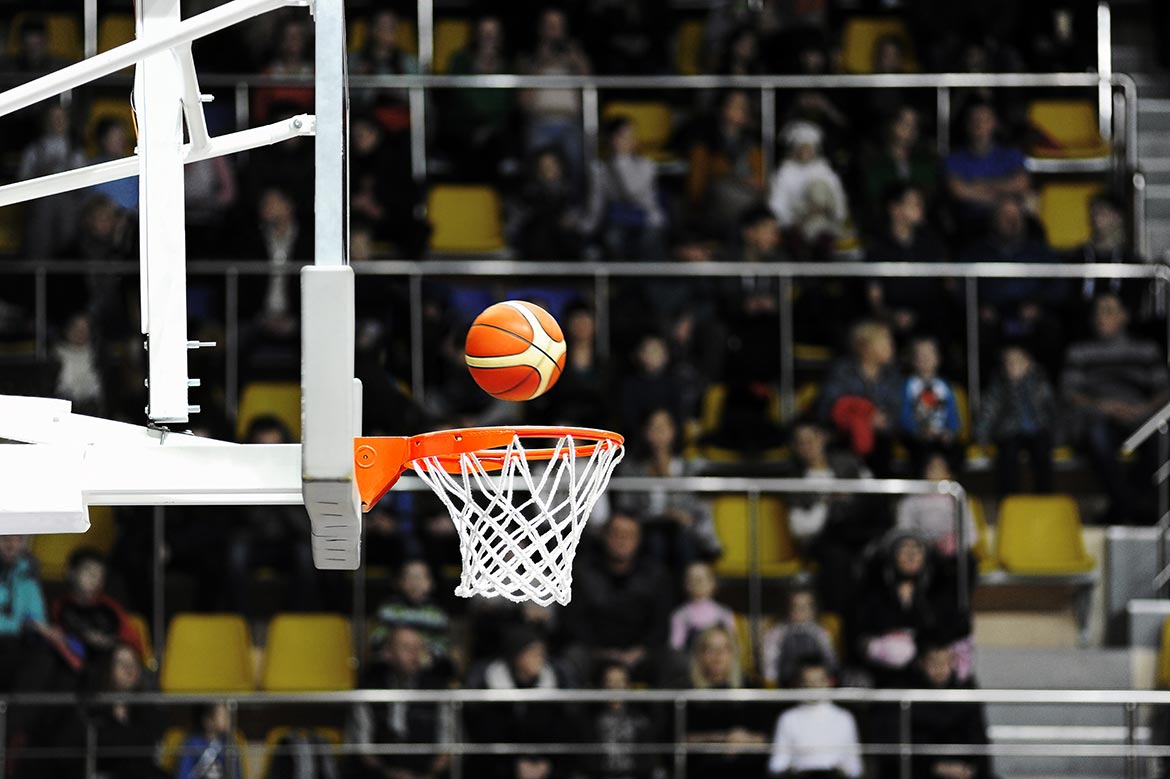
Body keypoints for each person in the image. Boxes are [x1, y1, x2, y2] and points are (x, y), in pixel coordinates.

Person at [1062, 294, 1170, 523]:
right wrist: (1104, 406)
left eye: (1109, 311)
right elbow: (1070, 393)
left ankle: (1122, 508)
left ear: (1124, 317)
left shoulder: (1146, 350)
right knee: (1097, 437)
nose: (1101, 318)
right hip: (1098, 415)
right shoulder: (1080, 351)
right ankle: (1130, 508)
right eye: (1098, 312)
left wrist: (1143, 408)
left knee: (1163, 439)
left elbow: (1164, 390)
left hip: (1139, 414)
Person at [225, 416, 324, 612]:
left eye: (275, 447)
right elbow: (237, 518)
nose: (269, 454)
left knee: (307, 554)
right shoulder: (240, 471)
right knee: (236, 553)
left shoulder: (298, 470)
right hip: (254, 541)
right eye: (262, 448)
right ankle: (239, 616)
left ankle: (299, 616)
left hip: (289, 541)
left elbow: (306, 524)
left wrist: (282, 492)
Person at [785, 420, 884, 614]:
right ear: (795, 448)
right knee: (838, 561)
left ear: (823, 438)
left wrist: (850, 496)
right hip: (825, 540)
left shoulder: (847, 462)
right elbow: (801, 529)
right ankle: (840, 617)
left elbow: (872, 492)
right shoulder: (796, 480)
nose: (808, 446)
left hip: (861, 529)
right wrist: (825, 503)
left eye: (811, 440)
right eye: (801, 442)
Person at [853, 529, 971, 688]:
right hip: (884, 677)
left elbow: (957, 631)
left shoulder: (939, 593)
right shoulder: (874, 595)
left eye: (917, 550)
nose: (911, 556)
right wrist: (876, 648)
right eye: (904, 549)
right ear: (892, 556)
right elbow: (859, 637)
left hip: (929, 675)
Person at [565, 514, 673, 684]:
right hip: (594, 653)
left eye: (629, 535)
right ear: (604, 536)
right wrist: (602, 652)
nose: (622, 541)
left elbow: (660, 625)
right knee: (572, 658)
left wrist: (639, 651)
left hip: (640, 655)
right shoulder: (583, 572)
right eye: (616, 534)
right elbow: (574, 621)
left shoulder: (656, 575)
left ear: (639, 540)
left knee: (672, 661)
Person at [466, 626, 575, 779]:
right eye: (534, 653)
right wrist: (513, 767)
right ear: (517, 656)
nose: (541, 659)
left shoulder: (554, 690)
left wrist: (547, 765)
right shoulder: (491, 693)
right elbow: (488, 739)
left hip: (546, 767)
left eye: (542, 654)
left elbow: (562, 737)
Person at [616, 409, 721, 566]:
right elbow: (626, 506)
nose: (659, 433)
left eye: (664, 427)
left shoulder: (688, 467)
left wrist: (665, 472)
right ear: (645, 432)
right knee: (656, 541)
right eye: (654, 427)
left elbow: (694, 508)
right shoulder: (631, 468)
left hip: (682, 530)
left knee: (682, 540)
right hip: (647, 528)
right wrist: (660, 517)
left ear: (673, 431)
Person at [348, 626, 451, 779]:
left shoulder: (438, 689)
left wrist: (430, 775)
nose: (414, 654)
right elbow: (362, 746)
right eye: (406, 648)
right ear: (388, 653)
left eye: (419, 648)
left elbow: (448, 746)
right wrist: (388, 773)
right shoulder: (369, 688)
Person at [52, 643, 164, 779]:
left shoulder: (147, 709)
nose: (129, 668)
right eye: (121, 663)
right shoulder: (93, 708)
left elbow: (147, 747)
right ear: (108, 668)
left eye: (133, 663)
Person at [864, 183, 952, 341]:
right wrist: (891, 316)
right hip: (892, 320)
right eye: (914, 203)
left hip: (931, 318)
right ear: (894, 209)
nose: (920, 207)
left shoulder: (932, 243)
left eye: (920, 203)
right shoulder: (877, 248)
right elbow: (875, 299)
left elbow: (948, 283)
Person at [818, 321, 903, 476]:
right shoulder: (842, 371)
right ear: (866, 346)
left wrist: (883, 421)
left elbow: (897, 411)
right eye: (884, 342)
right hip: (844, 439)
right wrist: (864, 418)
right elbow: (829, 407)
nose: (890, 347)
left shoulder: (892, 375)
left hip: (882, 441)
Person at [517, 8, 591, 184]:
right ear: (541, 29)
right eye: (549, 25)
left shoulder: (573, 56)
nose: (553, 30)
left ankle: (574, 200)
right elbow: (522, 102)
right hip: (540, 122)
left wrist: (577, 60)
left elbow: (589, 85)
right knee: (536, 169)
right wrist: (540, 64)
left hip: (570, 122)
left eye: (557, 25)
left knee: (577, 166)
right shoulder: (529, 58)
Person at [686, 627, 770, 779]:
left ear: (733, 653)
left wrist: (747, 738)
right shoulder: (687, 693)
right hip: (703, 769)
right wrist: (722, 738)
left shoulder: (751, 688)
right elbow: (681, 739)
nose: (718, 655)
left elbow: (766, 737)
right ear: (700, 654)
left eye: (724, 648)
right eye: (710, 649)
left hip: (748, 769)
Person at [579, 116, 666, 261]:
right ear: (612, 139)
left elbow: (633, 192)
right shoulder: (600, 170)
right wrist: (584, 226)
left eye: (632, 135)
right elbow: (596, 203)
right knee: (612, 239)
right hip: (618, 220)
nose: (630, 139)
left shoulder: (647, 165)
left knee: (649, 240)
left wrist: (621, 159)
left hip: (648, 219)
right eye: (624, 136)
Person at [974, 344, 1057, 497]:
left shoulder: (1040, 383)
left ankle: (1045, 499)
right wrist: (982, 437)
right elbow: (988, 413)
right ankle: (1009, 500)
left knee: (1042, 453)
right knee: (1007, 456)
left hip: (1038, 431)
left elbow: (1053, 412)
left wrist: (1059, 436)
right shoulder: (999, 386)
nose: (1012, 366)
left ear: (1028, 364)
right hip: (1010, 432)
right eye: (1008, 362)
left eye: (1017, 361)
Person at [51, 547, 145, 681]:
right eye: (89, 572)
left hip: (105, 665)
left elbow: (132, 642)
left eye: (100, 575)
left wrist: (108, 642)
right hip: (73, 663)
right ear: (71, 572)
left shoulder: (109, 607)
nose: (95, 579)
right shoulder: (60, 606)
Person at [444, 16, 515, 180]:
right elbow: (461, 97)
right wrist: (479, 65)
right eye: (484, 33)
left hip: (496, 131)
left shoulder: (508, 65)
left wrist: (489, 127)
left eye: (493, 34)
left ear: (500, 38)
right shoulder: (460, 60)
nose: (488, 39)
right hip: (463, 128)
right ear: (475, 36)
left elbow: (506, 103)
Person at [768, 120, 851, 260]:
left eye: (809, 148)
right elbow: (777, 204)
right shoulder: (784, 172)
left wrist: (825, 210)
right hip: (796, 224)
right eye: (802, 148)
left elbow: (838, 201)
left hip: (823, 223)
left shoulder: (824, 171)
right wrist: (793, 221)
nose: (805, 152)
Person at [687, 90, 765, 238]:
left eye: (745, 106)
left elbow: (761, 179)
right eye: (736, 105)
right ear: (722, 108)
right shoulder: (704, 143)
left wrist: (756, 182)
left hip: (747, 200)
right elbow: (698, 186)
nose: (742, 109)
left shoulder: (751, 143)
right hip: (714, 205)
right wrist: (739, 179)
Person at [767, 659, 863, 778]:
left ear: (830, 682)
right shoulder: (788, 718)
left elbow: (854, 767)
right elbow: (777, 765)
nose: (814, 687)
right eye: (808, 682)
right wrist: (792, 771)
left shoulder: (844, 718)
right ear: (800, 684)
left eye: (819, 681)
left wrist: (841, 772)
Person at [910, 641, 992, 779]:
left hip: (965, 768)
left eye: (946, 662)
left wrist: (970, 769)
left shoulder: (966, 690)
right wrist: (936, 767)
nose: (940, 669)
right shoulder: (911, 696)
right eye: (934, 663)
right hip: (925, 770)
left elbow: (978, 738)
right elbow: (912, 744)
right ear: (922, 663)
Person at [944, 101, 1031, 231]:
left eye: (985, 120)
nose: (979, 124)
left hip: (1007, 219)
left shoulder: (1010, 154)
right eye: (974, 120)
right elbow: (958, 191)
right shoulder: (954, 159)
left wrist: (981, 185)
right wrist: (1000, 194)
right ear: (966, 124)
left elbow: (1022, 184)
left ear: (994, 123)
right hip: (970, 223)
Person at [18, 104, 86, 261]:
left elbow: (84, 184)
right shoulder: (34, 150)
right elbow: (22, 181)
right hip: (41, 210)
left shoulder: (76, 151)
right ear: (46, 121)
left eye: (62, 118)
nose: (58, 122)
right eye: (54, 118)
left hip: (69, 210)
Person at [861, 107, 939, 234]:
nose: (910, 130)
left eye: (915, 125)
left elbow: (931, 196)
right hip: (885, 229)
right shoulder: (876, 163)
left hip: (922, 228)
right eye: (905, 123)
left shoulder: (925, 162)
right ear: (892, 125)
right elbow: (874, 201)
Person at [368, 560, 452, 674]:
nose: (415, 583)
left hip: (426, 661)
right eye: (409, 577)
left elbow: (443, 642)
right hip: (394, 660)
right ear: (399, 582)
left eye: (420, 577)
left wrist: (431, 654)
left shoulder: (437, 614)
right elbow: (377, 636)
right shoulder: (388, 610)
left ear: (430, 584)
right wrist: (387, 649)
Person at [897, 454, 978, 560]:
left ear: (949, 474)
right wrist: (920, 544)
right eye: (931, 467)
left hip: (952, 555)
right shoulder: (911, 501)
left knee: (968, 560)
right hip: (921, 553)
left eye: (939, 467)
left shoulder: (957, 498)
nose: (934, 472)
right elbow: (903, 530)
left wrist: (954, 544)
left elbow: (971, 534)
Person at [899, 337, 962, 471]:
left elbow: (953, 415)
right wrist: (919, 432)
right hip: (917, 438)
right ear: (913, 360)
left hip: (941, 438)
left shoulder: (944, 386)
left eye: (929, 354)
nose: (925, 359)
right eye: (920, 355)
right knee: (921, 453)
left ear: (937, 358)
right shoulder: (907, 385)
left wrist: (950, 432)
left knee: (956, 451)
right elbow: (904, 415)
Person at [589, 662, 659, 779]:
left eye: (620, 681)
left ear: (628, 685)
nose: (615, 686)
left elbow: (647, 761)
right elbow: (588, 762)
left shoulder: (641, 720)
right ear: (603, 685)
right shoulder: (593, 720)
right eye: (610, 681)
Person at [513, 146, 583, 260]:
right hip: (537, 246)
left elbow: (579, 216)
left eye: (553, 164)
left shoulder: (572, 190)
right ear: (538, 169)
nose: (550, 169)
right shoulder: (530, 192)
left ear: (561, 165)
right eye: (545, 165)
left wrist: (572, 219)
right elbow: (521, 220)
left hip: (567, 245)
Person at [760, 586, 837, 688]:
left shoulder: (821, 633)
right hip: (786, 684)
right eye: (796, 607)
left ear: (814, 609)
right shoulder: (776, 633)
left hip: (818, 681)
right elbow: (769, 662)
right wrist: (771, 684)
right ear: (787, 608)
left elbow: (831, 659)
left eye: (806, 607)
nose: (801, 611)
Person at [669, 562, 737, 652]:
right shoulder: (681, 615)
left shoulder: (723, 613)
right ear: (686, 584)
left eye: (700, 580)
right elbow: (676, 647)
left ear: (712, 583)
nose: (696, 584)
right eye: (691, 580)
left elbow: (733, 646)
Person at [53, 313, 104, 416]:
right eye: (76, 328)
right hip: (63, 408)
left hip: (92, 409)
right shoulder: (55, 355)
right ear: (67, 330)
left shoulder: (98, 356)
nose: (80, 332)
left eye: (85, 329)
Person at [176, 702, 242, 779]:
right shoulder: (193, 743)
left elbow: (236, 774)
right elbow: (184, 773)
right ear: (208, 721)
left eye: (228, 716)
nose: (228, 720)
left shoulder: (229, 744)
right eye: (223, 716)